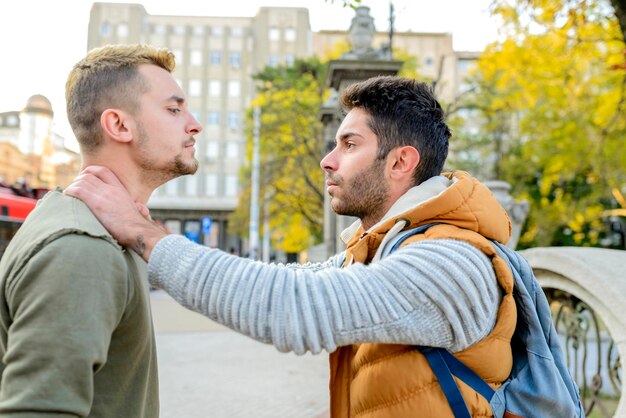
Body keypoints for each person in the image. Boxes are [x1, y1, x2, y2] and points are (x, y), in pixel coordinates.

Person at [65, 76, 516, 418]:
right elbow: (300, 279)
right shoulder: (392, 246)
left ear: (401, 161)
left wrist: (146, 238)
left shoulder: (451, 263)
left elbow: (296, 306)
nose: (328, 159)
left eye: (349, 144)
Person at [0, 44, 201, 416]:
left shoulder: (112, 231)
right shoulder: (81, 246)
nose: (194, 123)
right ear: (119, 125)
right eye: (174, 109)